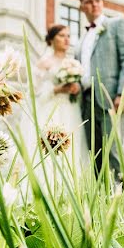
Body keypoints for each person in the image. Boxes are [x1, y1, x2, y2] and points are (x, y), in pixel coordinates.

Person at [75, 0, 124, 179]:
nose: (95, 4)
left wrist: (123, 94)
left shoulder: (117, 24)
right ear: (82, 7)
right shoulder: (81, 41)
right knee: (96, 155)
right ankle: (103, 201)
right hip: (87, 102)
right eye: (89, 1)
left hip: (111, 98)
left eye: (98, 0)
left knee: (113, 151)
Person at [32, 24, 88, 165]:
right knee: (50, 146)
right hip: (51, 109)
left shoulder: (73, 63)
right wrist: (57, 89)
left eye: (68, 36)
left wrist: (76, 88)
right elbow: (35, 92)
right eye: (62, 36)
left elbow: (80, 86)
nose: (66, 39)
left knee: (72, 145)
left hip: (70, 109)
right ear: (51, 40)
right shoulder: (44, 63)